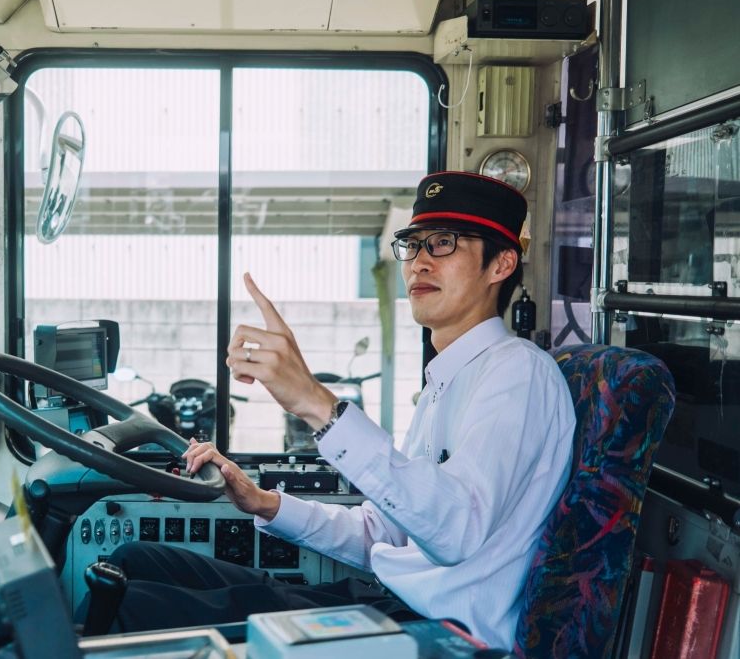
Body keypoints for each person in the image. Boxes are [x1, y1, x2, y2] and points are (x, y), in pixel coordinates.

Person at [93, 171, 575, 649]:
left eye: (444, 243)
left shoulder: (517, 372)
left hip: (443, 634)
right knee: (135, 560)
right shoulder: (446, 380)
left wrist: (315, 401)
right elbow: (384, 532)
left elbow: (457, 531)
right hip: (391, 604)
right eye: (413, 245)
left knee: (134, 606)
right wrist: (263, 502)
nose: (419, 263)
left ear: (501, 264)